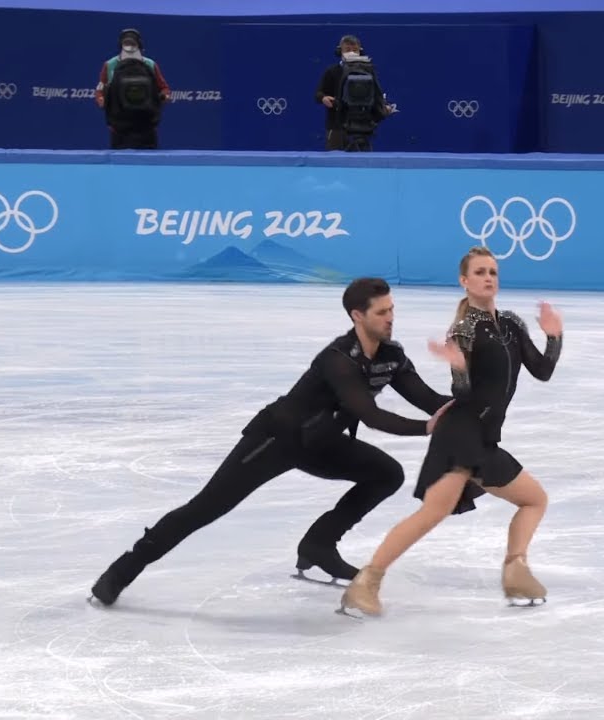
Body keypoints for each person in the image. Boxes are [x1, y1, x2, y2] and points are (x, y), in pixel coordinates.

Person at [89, 277, 454, 606]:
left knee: (386, 474)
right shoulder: (338, 360)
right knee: (205, 508)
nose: (391, 318)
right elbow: (371, 415)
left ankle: (319, 544)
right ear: (358, 316)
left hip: (321, 442)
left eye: (392, 309)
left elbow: (429, 399)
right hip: (276, 439)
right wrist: (425, 428)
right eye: (381, 312)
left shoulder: (391, 356)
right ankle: (119, 572)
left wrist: (472, 393)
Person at [337, 246, 564, 617]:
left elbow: (542, 371)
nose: (488, 277)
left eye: (492, 271)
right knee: (432, 513)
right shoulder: (464, 329)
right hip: (460, 435)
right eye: (479, 272)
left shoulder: (512, 324)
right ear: (464, 281)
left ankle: (516, 572)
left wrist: (554, 337)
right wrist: (458, 367)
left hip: (484, 438)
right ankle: (365, 583)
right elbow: (463, 394)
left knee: (533, 499)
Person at [94, 28, 171, 150]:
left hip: (146, 123)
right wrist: (101, 99)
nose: (129, 47)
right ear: (120, 45)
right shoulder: (109, 65)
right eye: (126, 44)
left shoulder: (150, 64)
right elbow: (100, 89)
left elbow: (164, 88)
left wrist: (165, 96)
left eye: (133, 44)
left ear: (139, 45)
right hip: (119, 124)